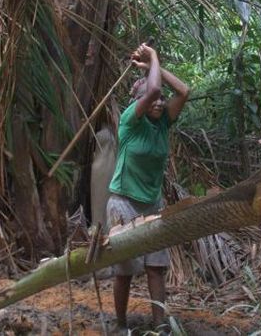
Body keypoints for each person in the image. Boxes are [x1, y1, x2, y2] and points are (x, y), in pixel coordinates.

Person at [106, 43, 190, 331]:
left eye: (159, 100)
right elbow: (153, 90)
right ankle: (120, 324)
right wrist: (154, 56)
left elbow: (184, 91)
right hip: (124, 202)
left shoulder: (163, 124)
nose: (157, 102)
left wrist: (154, 67)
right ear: (137, 102)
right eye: (149, 99)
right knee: (125, 269)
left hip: (152, 204)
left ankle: (159, 325)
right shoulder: (131, 121)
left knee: (156, 266)